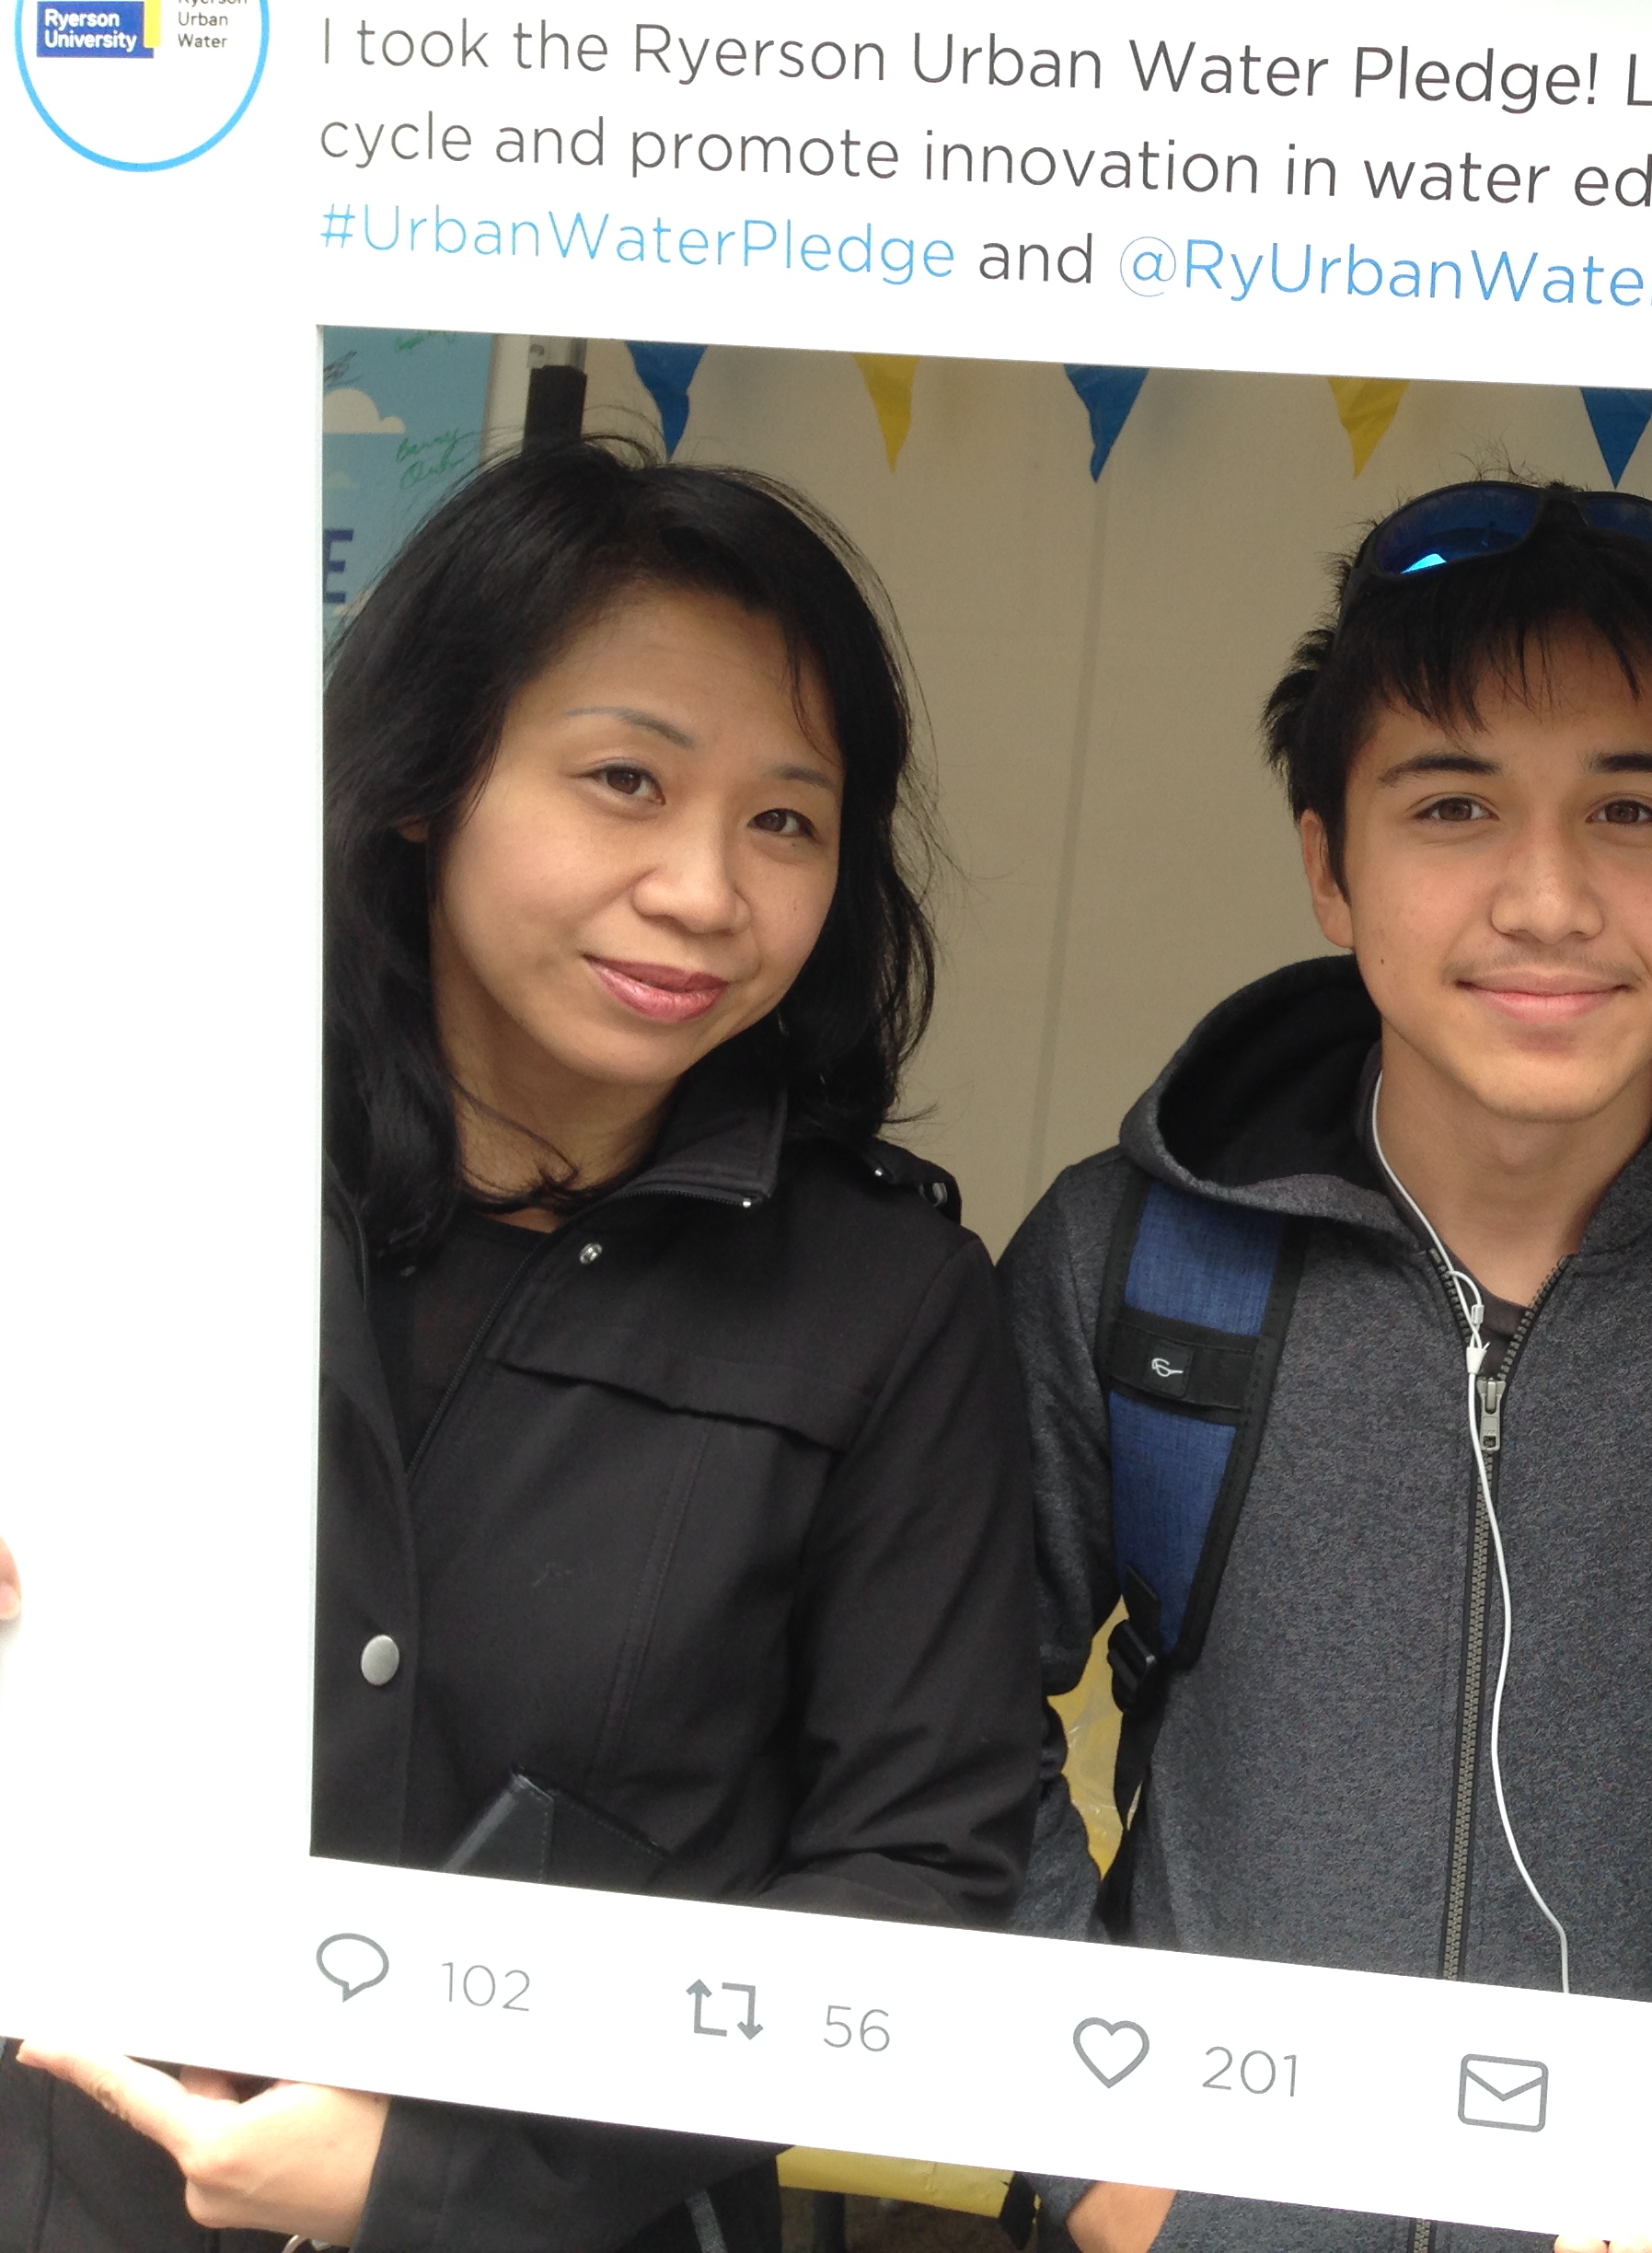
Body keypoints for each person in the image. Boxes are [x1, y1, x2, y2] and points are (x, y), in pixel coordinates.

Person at [2, 440, 1041, 2253]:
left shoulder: (888, 1304)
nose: (708, 889)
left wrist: (446, 2178)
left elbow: (910, 1878)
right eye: (625, 781)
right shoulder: (101, 1172)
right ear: (424, 784)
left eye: (785, 819)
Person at [999, 480, 1652, 2253]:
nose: (1547, 897)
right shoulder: (1138, 1256)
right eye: (1452, 806)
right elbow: (940, 1734)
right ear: (1326, 860)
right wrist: (1109, 2165)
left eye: (1629, 808)